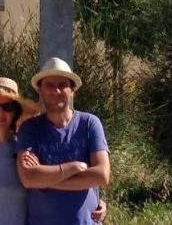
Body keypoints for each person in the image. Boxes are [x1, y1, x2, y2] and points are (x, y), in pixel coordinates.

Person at [0, 76, 107, 225]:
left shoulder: (25, 149)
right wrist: (73, 168)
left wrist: (94, 199)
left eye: (7, 107)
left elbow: (46, 181)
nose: (0, 113)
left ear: (15, 111)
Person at [15, 57, 110, 225]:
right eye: (49, 85)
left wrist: (45, 181)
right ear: (40, 90)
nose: (56, 91)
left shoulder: (89, 123)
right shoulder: (30, 129)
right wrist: (74, 168)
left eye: (62, 85)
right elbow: (28, 178)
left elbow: (101, 175)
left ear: (72, 90)